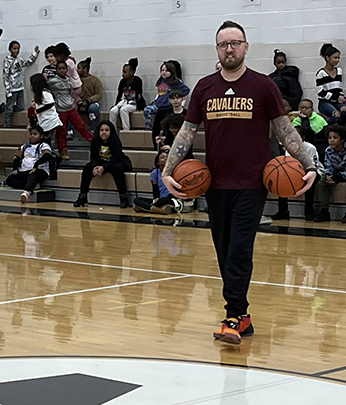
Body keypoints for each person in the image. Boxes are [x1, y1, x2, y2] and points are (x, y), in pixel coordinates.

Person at [162, 21, 316, 345]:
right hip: (214, 184)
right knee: (223, 250)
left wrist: (308, 164)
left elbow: (284, 129)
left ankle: (232, 315)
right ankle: (243, 316)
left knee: (239, 250)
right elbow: (186, 133)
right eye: (223, 44)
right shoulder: (204, 88)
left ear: (246, 46)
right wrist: (167, 169)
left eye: (235, 43)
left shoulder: (263, 86)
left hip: (252, 183)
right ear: (216, 49)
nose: (229, 49)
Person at [73, 120, 132, 208]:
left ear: (111, 131)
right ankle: (82, 196)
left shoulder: (115, 140)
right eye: (102, 130)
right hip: (101, 163)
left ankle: (123, 197)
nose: (104, 132)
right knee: (87, 168)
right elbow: (93, 156)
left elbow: (116, 157)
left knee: (117, 168)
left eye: (107, 130)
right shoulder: (95, 140)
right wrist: (95, 167)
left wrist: (104, 168)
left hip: (117, 162)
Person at [272, 125, 324, 221]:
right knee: (281, 180)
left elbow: (313, 167)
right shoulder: (289, 148)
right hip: (297, 173)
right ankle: (283, 211)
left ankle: (309, 212)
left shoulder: (310, 147)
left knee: (310, 183)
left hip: (314, 172)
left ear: (302, 137)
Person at [48, 61, 94, 160]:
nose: (61, 70)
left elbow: (70, 93)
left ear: (67, 70)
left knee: (81, 125)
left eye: (63, 68)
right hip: (60, 110)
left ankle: (93, 140)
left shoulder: (69, 80)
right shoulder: (52, 82)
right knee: (62, 131)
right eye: (59, 69)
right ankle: (63, 151)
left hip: (71, 108)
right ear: (56, 70)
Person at [6, 125, 52, 203]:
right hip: (25, 170)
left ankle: (26, 192)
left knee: (33, 175)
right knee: (10, 179)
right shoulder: (25, 146)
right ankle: (33, 185)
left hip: (40, 170)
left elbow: (47, 155)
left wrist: (36, 165)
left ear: (41, 136)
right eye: (31, 134)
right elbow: (17, 157)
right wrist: (15, 168)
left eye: (35, 134)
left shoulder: (43, 145)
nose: (32, 136)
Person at [1, 41, 39, 127]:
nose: (16, 51)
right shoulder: (7, 60)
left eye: (18, 49)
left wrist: (35, 54)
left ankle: (4, 107)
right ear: (10, 49)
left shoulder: (20, 60)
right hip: (11, 89)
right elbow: (5, 76)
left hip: (20, 88)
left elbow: (28, 62)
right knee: (10, 108)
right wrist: (8, 90)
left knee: (21, 107)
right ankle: (7, 125)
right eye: (14, 49)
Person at [143, 62, 189, 133]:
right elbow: (160, 94)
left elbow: (186, 90)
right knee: (148, 113)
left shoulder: (176, 82)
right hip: (159, 106)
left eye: (166, 70)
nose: (164, 72)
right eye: (162, 70)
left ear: (171, 71)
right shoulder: (161, 81)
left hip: (168, 107)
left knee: (166, 128)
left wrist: (176, 97)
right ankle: (149, 128)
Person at [133, 150, 183, 215]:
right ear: (158, 162)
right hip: (160, 199)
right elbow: (155, 189)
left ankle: (147, 208)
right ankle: (158, 209)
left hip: (172, 199)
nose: (165, 158)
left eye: (167, 157)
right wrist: (156, 198)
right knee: (136, 199)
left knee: (163, 201)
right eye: (162, 157)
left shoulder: (175, 172)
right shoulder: (155, 173)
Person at [314, 124, 346, 223]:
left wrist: (338, 177)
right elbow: (328, 166)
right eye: (329, 138)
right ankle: (324, 211)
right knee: (322, 181)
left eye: (335, 137)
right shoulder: (328, 150)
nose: (331, 140)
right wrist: (329, 176)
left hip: (343, 173)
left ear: (342, 139)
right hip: (336, 173)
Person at [110, 58, 146, 130]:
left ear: (131, 73)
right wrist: (116, 104)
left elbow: (139, 95)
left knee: (123, 110)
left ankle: (126, 130)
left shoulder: (137, 81)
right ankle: (112, 130)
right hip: (124, 101)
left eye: (125, 72)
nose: (123, 74)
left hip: (134, 103)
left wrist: (140, 108)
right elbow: (119, 94)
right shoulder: (122, 82)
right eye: (122, 72)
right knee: (112, 111)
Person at [316, 44, 346, 124]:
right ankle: (325, 131)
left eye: (338, 58)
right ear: (327, 58)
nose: (337, 60)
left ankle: (341, 132)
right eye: (335, 58)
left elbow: (339, 88)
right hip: (324, 102)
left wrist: (341, 96)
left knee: (344, 111)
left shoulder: (339, 71)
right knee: (336, 115)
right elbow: (320, 92)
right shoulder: (321, 73)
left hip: (336, 100)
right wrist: (336, 97)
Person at [29, 73, 62, 144]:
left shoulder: (45, 92)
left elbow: (51, 104)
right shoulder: (38, 94)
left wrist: (38, 110)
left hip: (50, 121)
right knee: (45, 141)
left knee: (45, 142)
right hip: (44, 121)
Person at [77, 57, 103, 133]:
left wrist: (89, 101)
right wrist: (80, 103)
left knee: (93, 108)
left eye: (79, 68)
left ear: (85, 69)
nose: (77, 70)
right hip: (79, 102)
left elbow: (99, 94)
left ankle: (92, 129)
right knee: (71, 108)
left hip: (92, 102)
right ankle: (70, 131)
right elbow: (73, 93)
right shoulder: (76, 80)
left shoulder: (95, 80)